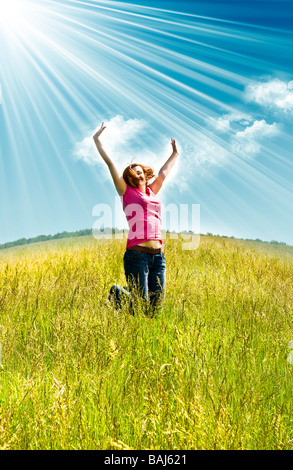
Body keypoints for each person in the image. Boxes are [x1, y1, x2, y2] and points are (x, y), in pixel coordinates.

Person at [93, 122, 179, 316]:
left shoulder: (152, 191)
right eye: (133, 173)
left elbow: (164, 173)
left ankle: (122, 295)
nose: (137, 173)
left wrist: (174, 154)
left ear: (144, 173)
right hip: (136, 254)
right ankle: (117, 292)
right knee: (140, 307)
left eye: (139, 170)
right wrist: (97, 140)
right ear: (129, 178)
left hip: (158, 256)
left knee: (154, 312)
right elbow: (111, 164)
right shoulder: (126, 193)